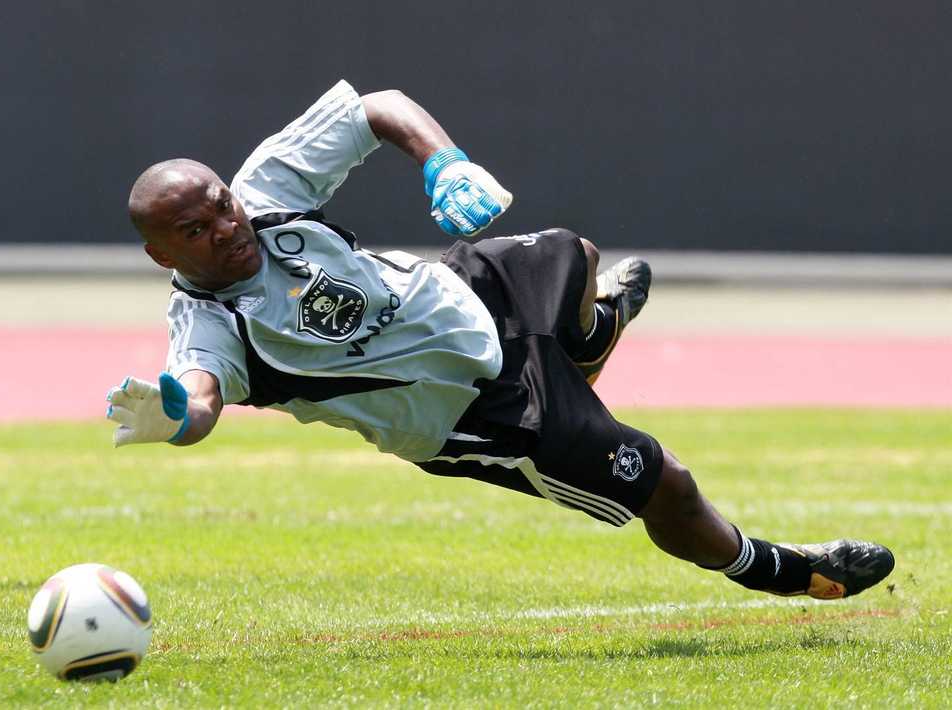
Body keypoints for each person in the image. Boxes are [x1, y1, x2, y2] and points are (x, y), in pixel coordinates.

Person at [107, 80, 893, 600]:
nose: (227, 228)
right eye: (197, 229)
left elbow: (376, 107)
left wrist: (442, 162)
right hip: (477, 414)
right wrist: (175, 414)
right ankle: (791, 574)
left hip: (463, 292)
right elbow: (201, 399)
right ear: (162, 254)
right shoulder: (210, 328)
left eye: (223, 207)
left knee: (575, 254)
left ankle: (586, 340)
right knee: (667, 483)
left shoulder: (264, 188)